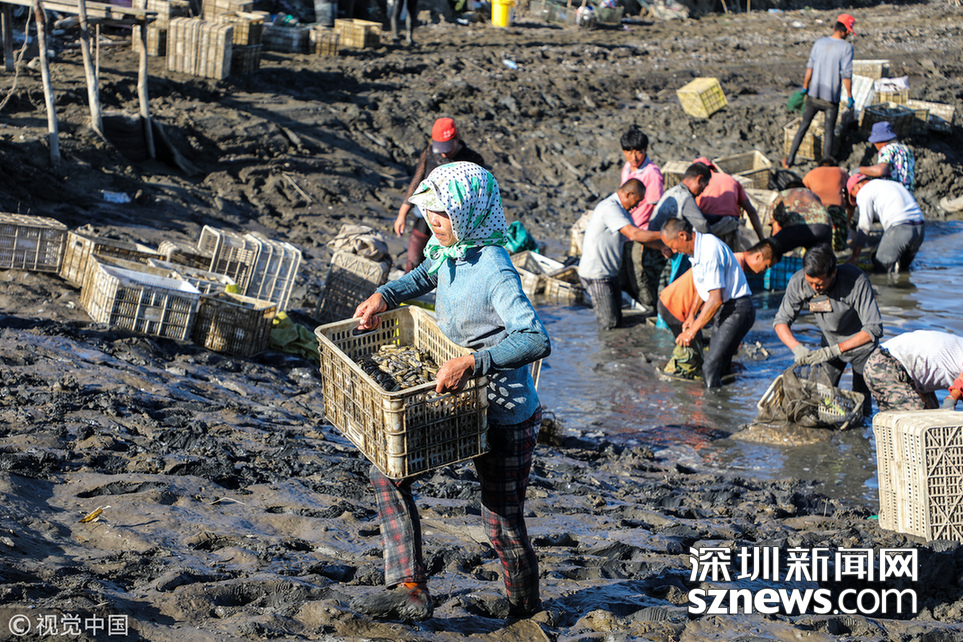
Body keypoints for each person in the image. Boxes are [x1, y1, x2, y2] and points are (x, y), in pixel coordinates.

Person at [350, 162, 551, 622]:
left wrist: (474, 362)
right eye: (429, 212)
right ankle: (410, 587)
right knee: (390, 471)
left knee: (501, 523)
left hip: (504, 413)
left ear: (469, 214)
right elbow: (425, 275)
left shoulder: (495, 268)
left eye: (442, 213)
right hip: (456, 402)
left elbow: (535, 338)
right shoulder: (449, 251)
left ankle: (526, 611)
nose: (432, 221)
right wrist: (385, 295)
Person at [774, 244, 882, 411]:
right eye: (810, 282)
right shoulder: (799, 282)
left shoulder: (856, 281)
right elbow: (780, 321)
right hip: (829, 344)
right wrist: (796, 348)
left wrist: (837, 350)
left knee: (862, 403)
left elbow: (874, 329)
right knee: (822, 398)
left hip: (861, 347)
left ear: (833, 273)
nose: (814, 288)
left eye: (819, 284)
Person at [657, 239, 775, 380]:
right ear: (759, 256)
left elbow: (706, 290)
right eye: (766, 266)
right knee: (694, 358)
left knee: (706, 360)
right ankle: (689, 383)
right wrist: (692, 327)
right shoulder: (734, 262)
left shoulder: (723, 257)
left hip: (680, 304)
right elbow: (715, 299)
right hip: (674, 305)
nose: (763, 271)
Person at [660, 217, 756, 389]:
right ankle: (727, 401)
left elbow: (715, 298)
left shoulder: (709, 250)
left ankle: (712, 405)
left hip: (738, 309)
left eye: (673, 246)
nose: (674, 251)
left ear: (682, 236)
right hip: (726, 309)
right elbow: (703, 286)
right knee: (720, 367)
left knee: (709, 367)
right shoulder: (696, 251)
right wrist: (691, 315)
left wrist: (691, 332)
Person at [394, 118, 485, 273]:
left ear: (455, 139)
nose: (443, 153)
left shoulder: (473, 160)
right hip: (424, 216)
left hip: (451, 222)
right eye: (440, 148)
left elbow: (478, 197)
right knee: (413, 261)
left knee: (441, 266)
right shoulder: (429, 152)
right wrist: (402, 214)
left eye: (446, 148)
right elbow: (417, 181)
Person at [578, 179, 667, 329]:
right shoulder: (610, 208)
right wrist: (666, 234)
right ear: (629, 194)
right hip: (596, 275)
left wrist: (662, 247)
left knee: (617, 319)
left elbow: (638, 237)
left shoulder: (622, 210)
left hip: (610, 273)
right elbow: (634, 234)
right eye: (637, 201)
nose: (636, 206)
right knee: (609, 324)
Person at [783, 14, 856, 169]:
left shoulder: (819, 43)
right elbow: (846, 75)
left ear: (834, 28)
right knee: (829, 133)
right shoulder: (847, 48)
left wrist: (805, 87)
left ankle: (790, 160)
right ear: (843, 31)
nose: (848, 35)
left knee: (803, 126)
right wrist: (850, 96)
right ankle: (825, 168)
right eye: (848, 32)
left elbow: (810, 67)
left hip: (814, 95)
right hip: (831, 99)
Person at [619, 127, 665, 309]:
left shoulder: (651, 173)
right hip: (627, 229)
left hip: (641, 231)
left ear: (646, 150)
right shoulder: (627, 168)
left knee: (640, 274)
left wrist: (651, 237)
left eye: (638, 151)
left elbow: (655, 207)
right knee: (625, 271)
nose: (634, 157)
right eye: (629, 152)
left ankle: (648, 308)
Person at [864, 330, 963, 412]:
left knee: (932, 419)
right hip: (886, 364)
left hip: (908, 369)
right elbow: (960, 383)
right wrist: (951, 399)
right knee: (916, 422)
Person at [846, 174, 925, 273]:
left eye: (854, 196)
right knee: (903, 270)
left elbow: (864, 226)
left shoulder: (863, 191)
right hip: (920, 229)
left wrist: (854, 256)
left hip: (900, 228)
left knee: (881, 269)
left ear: (857, 187)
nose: (856, 200)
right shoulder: (891, 184)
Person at [692, 158, 766, 248]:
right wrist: (762, 239)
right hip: (730, 227)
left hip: (709, 228)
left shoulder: (698, 183)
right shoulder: (731, 180)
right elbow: (751, 211)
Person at [765, 184, 834, 255]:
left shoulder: (784, 194)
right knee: (821, 258)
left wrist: (774, 247)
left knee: (772, 250)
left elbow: (776, 229)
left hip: (798, 227)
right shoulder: (813, 195)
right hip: (824, 227)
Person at [803, 157, 850, 250]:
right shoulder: (841, 171)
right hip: (836, 208)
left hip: (816, 209)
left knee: (813, 237)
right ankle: (838, 246)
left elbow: (802, 194)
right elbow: (849, 192)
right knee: (839, 237)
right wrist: (848, 214)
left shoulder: (810, 174)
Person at [857, 121, 916, 192]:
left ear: (879, 141)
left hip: (894, 193)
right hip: (908, 194)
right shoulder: (906, 149)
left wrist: (859, 170)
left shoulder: (887, 149)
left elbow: (880, 171)